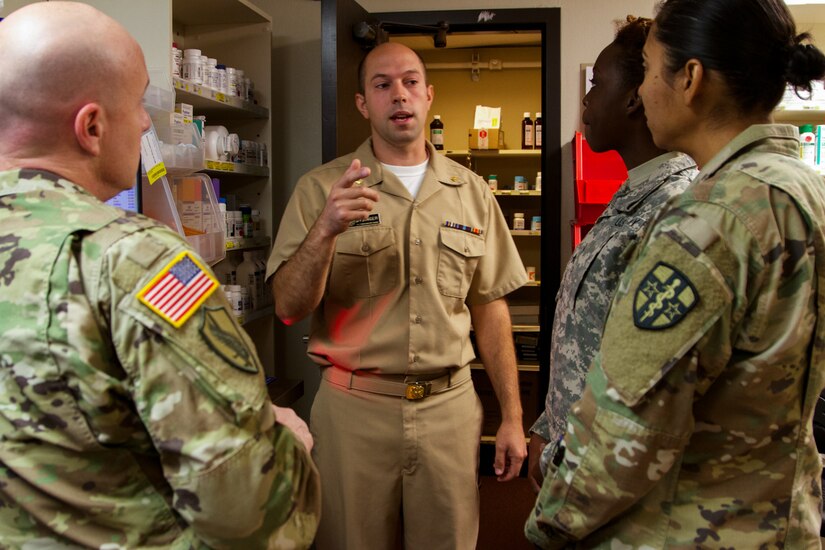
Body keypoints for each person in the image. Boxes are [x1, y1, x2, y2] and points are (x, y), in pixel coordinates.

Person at [0, 3, 319, 548]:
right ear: (92, 126)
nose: (148, 121)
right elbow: (244, 510)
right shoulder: (137, 261)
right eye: (139, 102)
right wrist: (283, 445)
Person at [525, 0, 825, 546]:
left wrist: (553, 517)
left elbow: (629, 419)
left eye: (650, 66)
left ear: (690, 78)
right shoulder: (797, 186)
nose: (641, 91)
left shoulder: (711, 216)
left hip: (688, 526)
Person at [267, 41, 527, 549]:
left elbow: (490, 309)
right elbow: (287, 307)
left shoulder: (471, 192)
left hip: (449, 411)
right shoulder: (322, 189)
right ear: (363, 103)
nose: (399, 95)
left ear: (429, 96)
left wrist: (514, 417)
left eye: (410, 82)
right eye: (382, 85)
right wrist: (325, 230)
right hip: (354, 414)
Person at [527, 16, 696, 492]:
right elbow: (588, 338)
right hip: (575, 459)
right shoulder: (632, 193)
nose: (585, 98)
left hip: (603, 480)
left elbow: (646, 386)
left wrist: (561, 457)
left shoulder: (672, 206)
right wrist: (548, 428)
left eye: (597, 84)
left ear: (633, 97)